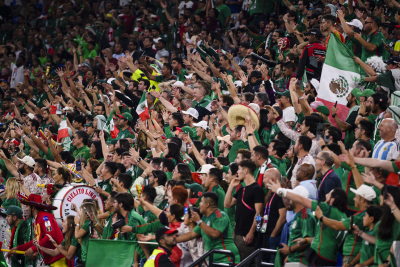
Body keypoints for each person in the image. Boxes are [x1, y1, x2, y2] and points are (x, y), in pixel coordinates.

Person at [267, 180, 348, 266]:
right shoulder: (344, 217)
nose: (326, 194)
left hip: (320, 257)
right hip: (332, 259)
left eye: (329, 194)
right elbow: (326, 238)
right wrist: (307, 240)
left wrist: (280, 190)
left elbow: (301, 200)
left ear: (332, 200)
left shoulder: (327, 209)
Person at [176, 192, 240, 264]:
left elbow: (215, 234)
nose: (199, 204)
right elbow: (191, 234)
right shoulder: (205, 219)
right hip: (214, 260)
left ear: (207, 205)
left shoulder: (220, 216)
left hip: (226, 259)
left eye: (201, 202)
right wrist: (175, 240)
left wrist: (198, 221)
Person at [224, 160, 264, 266]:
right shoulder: (242, 189)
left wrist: (251, 232)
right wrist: (231, 186)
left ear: (246, 171)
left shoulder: (257, 189)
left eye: (239, 169)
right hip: (237, 234)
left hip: (248, 236)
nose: (237, 172)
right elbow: (227, 204)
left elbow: (258, 213)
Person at [12, 194, 65, 266]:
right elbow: (36, 241)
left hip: (58, 260)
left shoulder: (44, 216)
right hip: (50, 261)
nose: (26, 209)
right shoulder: (36, 220)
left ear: (33, 208)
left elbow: (49, 235)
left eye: (27, 206)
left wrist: (33, 249)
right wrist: (19, 248)